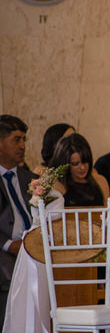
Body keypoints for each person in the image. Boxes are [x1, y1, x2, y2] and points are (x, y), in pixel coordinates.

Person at [0, 115, 35, 320]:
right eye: (16, 140)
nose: (22, 146)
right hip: (6, 250)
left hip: (33, 249)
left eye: (24, 140)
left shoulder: (30, 179)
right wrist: (9, 245)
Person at [49, 133, 108, 206]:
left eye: (85, 161)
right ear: (64, 164)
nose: (82, 168)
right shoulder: (56, 184)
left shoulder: (100, 181)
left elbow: (108, 210)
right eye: (75, 164)